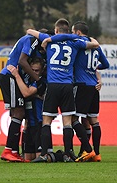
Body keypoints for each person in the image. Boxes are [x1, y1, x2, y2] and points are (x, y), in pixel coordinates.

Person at [27, 18, 99, 162]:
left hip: (53, 85)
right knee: (67, 122)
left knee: (46, 121)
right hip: (67, 86)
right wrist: (72, 36)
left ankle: (45, 154)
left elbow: (29, 31)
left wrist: (51, 38)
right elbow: (95, 44)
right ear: (68, 31)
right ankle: (68, 154)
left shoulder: (50, 39)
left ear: (56, 30)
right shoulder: (75, 42)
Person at [0, 32, 44, 162]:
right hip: (10, 76)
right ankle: (8, 150)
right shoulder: (32, 40)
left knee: (18, 113)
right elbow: (22, 61)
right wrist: (38, 80)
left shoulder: (29, 41)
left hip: (10, 76)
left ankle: (13, 151)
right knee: (18, 112)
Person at [70, 21, 109, 162]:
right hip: (94, 87)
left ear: (78, 33)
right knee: (93, 121)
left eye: (73, 31)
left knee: (74, 119)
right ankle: (97, 153)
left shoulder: (78, 43)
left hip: (82, 85)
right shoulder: (96, 47)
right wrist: (93, 70)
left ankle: (88, 150)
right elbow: (106, 64)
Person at [6, 56, 47, 162]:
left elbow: (26, 93)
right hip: (28, 127)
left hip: (39, 125)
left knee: (39, 159)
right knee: (27, 159)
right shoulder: (28, 80)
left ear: (42, 70)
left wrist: (16, 75)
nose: (34, 73)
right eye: (32, 70)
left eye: (37, 70)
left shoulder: (41, 82)